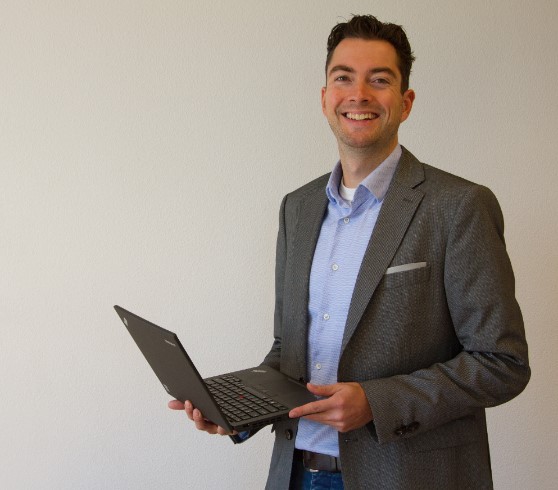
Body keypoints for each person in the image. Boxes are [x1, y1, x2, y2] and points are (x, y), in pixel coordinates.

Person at [169, 14, 530, 489]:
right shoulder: (297, 208)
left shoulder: (458, 207)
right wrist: (236, 409)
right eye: (343, 78)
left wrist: (377, 403)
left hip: (407, 478)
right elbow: (287, 350)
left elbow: (501, 362)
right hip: (296, 473)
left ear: (406, 102)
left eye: (379, 80)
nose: (358, 94)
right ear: (324, 98)